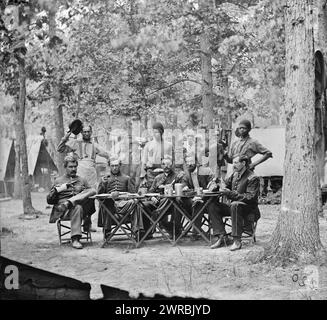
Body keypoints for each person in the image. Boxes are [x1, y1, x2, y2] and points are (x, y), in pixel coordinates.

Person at [57, 123, 110, 231]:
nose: (86, 133)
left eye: (88, 131)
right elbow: (60, 148)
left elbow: (105, 153)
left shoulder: (94, 145)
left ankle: (88, 224)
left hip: (91, 175)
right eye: (84, 131)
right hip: (79, 175)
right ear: (81, 132)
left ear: (91, 132)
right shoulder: (76, 143)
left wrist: (110, 159)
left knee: (91, 199)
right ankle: (77, 222)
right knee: (79, 197)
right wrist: (68, 134)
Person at [209, 155, 261, 251]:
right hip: (234, 208)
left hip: (249, 209)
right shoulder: (235, 174)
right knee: (213, 206)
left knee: (235, 205)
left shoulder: (253, 178)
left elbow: (250, 197)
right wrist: (217, 185)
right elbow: (226, 186)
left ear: (243, 163)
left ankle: (237, 240)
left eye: (236, 163)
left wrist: (230, 193)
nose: (233, 165)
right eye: (233, 163)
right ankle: (222, 236)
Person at [46, 155, 96, 249]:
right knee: (77, 207)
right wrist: (57, 190)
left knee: (91, 191)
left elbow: (92, 192)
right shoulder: (58, 181)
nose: (73, 169)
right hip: (64, 211)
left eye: (75, 166)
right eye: (70, 167)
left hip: (81, 210)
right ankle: (75, 239)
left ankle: (70, 202)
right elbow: (49, 201)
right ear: (65, 167)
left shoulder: (82, 180)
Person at [143, 156, 188, 239]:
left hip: (172, 204)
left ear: (172, 165)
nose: (166, 166)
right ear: (161, 166)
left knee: (170, 199)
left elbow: (183, 188)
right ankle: (146, 232)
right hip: (158, 203)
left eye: (168, 164)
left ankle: (158, 215)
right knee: (144, 205)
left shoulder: (177, 176)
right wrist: (152, 197)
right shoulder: (158, 177)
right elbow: (150, 192)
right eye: (164, 164)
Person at [97, 157, 138, 247]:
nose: (114, 168)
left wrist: (121, 194)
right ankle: (107, 231)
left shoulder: (126, 178)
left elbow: (132, 194)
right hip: (111, 207)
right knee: (107, 202)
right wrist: (103, 184)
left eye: (116, 166)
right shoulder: (105, 178)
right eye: (112, 166)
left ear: (120, 166)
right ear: (109, 166)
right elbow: (99, 196)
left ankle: (136, 230)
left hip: (125, 205)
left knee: (135, 202)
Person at [183, 156, 219, 240]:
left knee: (198, 204)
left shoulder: (205, 171)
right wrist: (184, 187)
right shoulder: (186, 173)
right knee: (181, 202)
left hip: (208, 200)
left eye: (191, 161)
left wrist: (210, 186)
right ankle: (195, 230)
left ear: (196, 162)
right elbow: (184, 182)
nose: (189, 164)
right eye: (187, 162)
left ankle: (195, 232)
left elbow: (213, 183)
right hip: (193, 200)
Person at [140, 122, 173, 188]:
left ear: (161, 132)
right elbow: (144, 161)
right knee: (151, 191)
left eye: (157, 132)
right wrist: (142, 176)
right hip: (151, 172)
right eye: (154, 132)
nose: (155, 134)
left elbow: (172, 161)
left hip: (164, 172)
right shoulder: (148, 145)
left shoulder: (168, 145)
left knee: (163, 190)